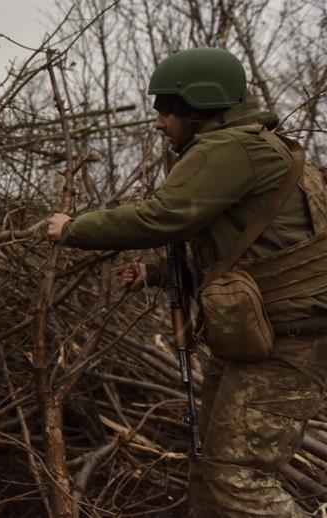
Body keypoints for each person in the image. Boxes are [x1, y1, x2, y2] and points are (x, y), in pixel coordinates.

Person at [47, 47, 327, 517]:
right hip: (261, 342)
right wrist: (156, 275)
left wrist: (73, 228)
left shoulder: (231, 148)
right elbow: (252, 259)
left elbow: (164, 217)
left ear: (198, 106)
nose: (158, 122)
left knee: (239, 483)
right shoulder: (252, 146)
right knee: (210, 471)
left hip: (288, 345)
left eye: (166, 109)